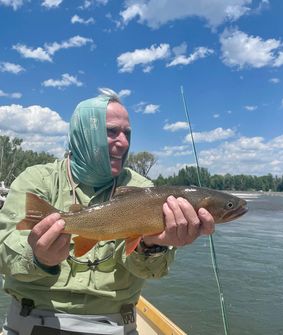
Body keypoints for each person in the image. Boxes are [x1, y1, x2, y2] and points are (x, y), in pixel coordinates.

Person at [0, 88, 215, 335]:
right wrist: (38, 257)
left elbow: (152, 272)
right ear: (84, 134)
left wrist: (152, 246)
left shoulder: (144, 191)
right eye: (111, 132)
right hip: (32, 319)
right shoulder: (36, 180)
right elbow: (2, 255)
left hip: (116, 324)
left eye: (127, 133)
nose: (123, 142)